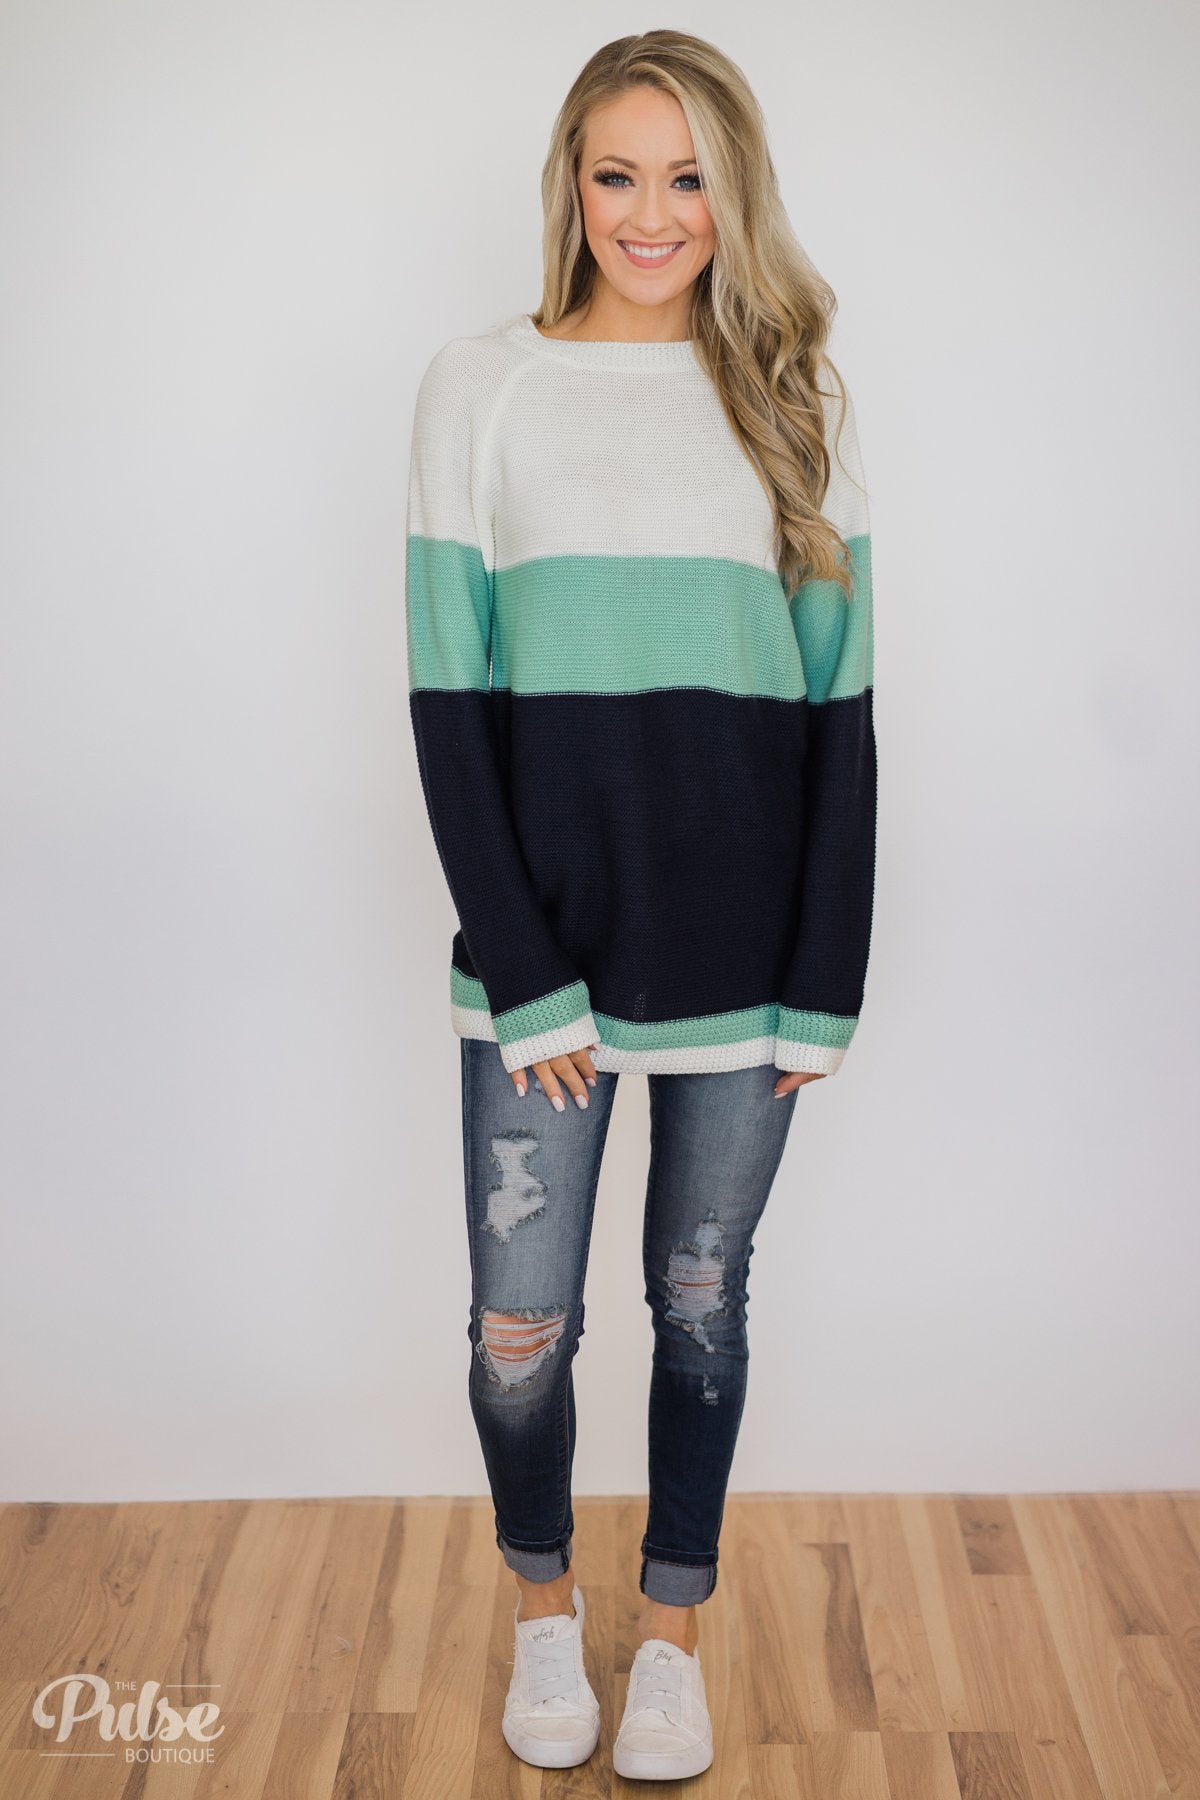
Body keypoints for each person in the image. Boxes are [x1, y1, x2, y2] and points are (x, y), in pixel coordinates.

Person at [403, 28, 877, 1783]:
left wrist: (826, 980)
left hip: (747, 969)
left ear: (733, 195)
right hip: (545, 972)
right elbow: (447, 700)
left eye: (688, 177)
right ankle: (546, 1608)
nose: (653, 212)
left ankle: (671, 1633)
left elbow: (842, 714)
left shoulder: (797, 399)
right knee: (517, 1333)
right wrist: (525, 972)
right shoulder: (480, 384)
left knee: (700, 1306)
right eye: (618, 174)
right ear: (573, 187)